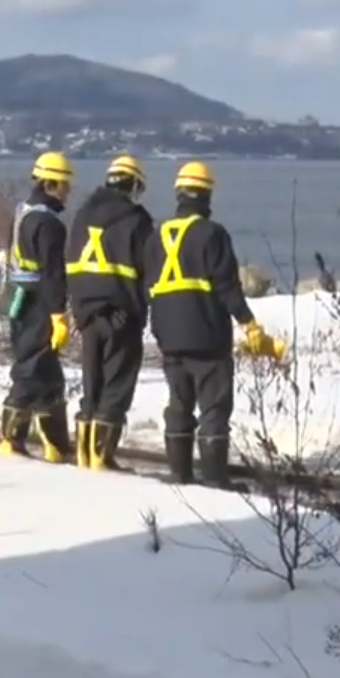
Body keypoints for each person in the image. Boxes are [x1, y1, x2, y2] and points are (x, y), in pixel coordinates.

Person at [145, 161, 283, 488]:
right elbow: (227, 287)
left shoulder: (156, 236)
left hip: (168, 334)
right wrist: (249, 324)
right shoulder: (212, 234)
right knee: (214, 407)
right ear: (207, 195)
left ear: (179, 193)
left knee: (179, 404)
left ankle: (179, 473)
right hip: (206, 334)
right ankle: (214, 478)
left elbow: (146, 285)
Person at [63, 155, 155, 472]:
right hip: (122, 314)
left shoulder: (81, 216)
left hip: (87, 315)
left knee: (92, 384)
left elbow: (71, 263)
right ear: (134, 185)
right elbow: (148, 268)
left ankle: (84, 454)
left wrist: (80, 308)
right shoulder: (137, 220)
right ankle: (101, 457)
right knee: (117, 385)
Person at [0, 150, 74, 461]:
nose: (68, 192)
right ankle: (11, 439)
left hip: (17, 298)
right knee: (31, 370)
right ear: (51, 183)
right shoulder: (49, 223)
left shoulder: (23, 212)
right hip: (38, 303)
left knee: (49, 375)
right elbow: (53, 273)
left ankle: (56, 444)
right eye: (65, 185)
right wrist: (58, 314)